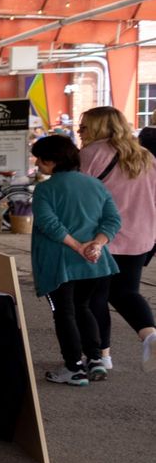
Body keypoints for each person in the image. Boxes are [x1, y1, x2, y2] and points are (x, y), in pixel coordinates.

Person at [28, 134, 121, 386]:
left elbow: (49, 224)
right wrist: (97, 244)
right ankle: (95, 359)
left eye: (41, 159)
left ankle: (74, 368)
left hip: (60, 263)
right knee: (84, 307)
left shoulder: (45, 189)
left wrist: (78, 246)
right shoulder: (96, 185)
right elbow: (113, 220)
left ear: (53, 161)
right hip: (96, 263)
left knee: (64, 313)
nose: (37, 164)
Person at [77, 107, 156, 374]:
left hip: (103, 237)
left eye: (85, 126)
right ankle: (150, 336)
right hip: (140, 235)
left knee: (95, 297)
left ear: (99, 127)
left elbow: (80, 196)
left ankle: (102, 356)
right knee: (126, 292)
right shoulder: (144, 156)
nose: (81, 132)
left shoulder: (91, 153)